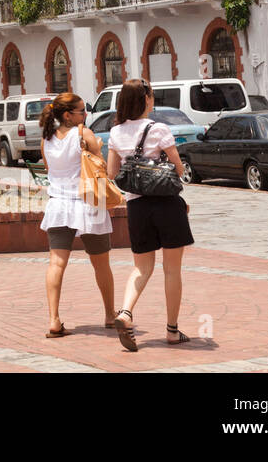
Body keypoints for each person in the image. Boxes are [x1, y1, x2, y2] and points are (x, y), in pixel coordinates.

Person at [106, 78, 195, 351]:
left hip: (137, 207)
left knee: (141, 268)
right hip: (167, 205)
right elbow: (179, 169)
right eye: (152, 96)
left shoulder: (116, 132)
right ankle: (171, 330)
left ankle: (125, 313)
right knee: (172, 270)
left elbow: (111, 174)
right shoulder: (159, 129)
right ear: (146, 99)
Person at [38, 92, 116, 337]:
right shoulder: (84, 134)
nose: (86, 115)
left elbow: (51, 169)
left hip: (59, 205)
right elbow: (102, 169)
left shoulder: (46, 139)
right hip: (88, 205)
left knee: (56, 263)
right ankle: (109, 315)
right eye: (82, 111)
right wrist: (98, 149)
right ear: (67, 115)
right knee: (101, 264)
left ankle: (53, 319)